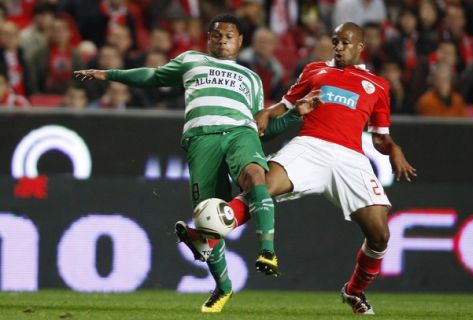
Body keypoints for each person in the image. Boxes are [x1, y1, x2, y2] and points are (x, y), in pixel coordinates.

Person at [179, 22, 417, 315]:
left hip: (350, 158)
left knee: (380, 235)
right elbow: (285, 105)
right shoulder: (315, 70)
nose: (339, 47)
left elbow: (380, 136)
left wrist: (394, 149)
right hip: (310, 146)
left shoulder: (378, 86)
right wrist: (266, 113)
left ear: (359, 47)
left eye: (345, 43)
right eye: (335, 42)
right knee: (261, 185)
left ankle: (354, 291)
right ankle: (207, 236)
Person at [74, 14, 300, 313]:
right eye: (217, 35)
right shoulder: (191, 60)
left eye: (229, 36)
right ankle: (223, 286)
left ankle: (267, 250)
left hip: (240, 133)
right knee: (207, 219)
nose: (222, 40)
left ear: (240, 40)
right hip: (201, 140)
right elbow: (152, 77)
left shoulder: (251, 78)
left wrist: (295, 115)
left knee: (256, 174)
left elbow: (262, 128)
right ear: (209, 38)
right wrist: (110, 74)